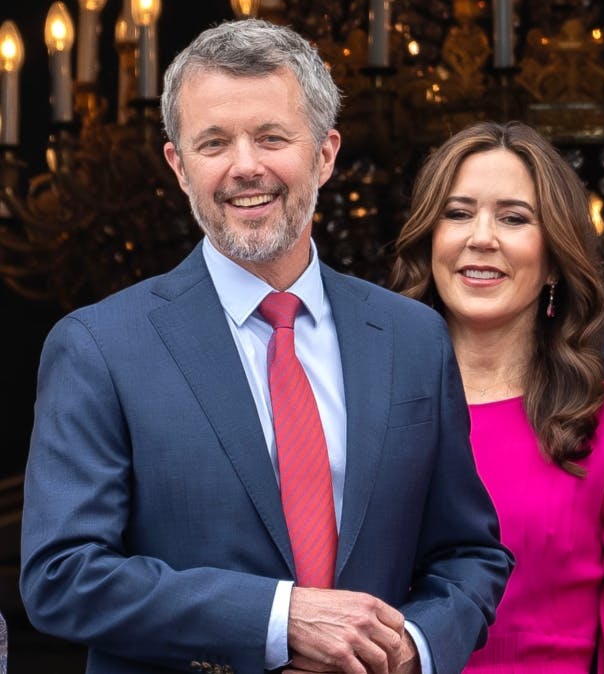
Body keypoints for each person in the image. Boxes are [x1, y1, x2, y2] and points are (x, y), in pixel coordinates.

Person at [20, 19, 512, 674]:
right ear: (179, 166)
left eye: (272, 137)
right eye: (214, 142)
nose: (245, 166)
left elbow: (468, 554)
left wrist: (410, 650)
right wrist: (279, 618)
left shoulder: (412, 336)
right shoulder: (100, 347)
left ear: (326, 153)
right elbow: (61, 575)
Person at [389, 120, 604, 672]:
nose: (482, 237)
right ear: (428, 240)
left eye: (514, 218)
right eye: (457, 213)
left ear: (553, 256)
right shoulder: (362, 408)